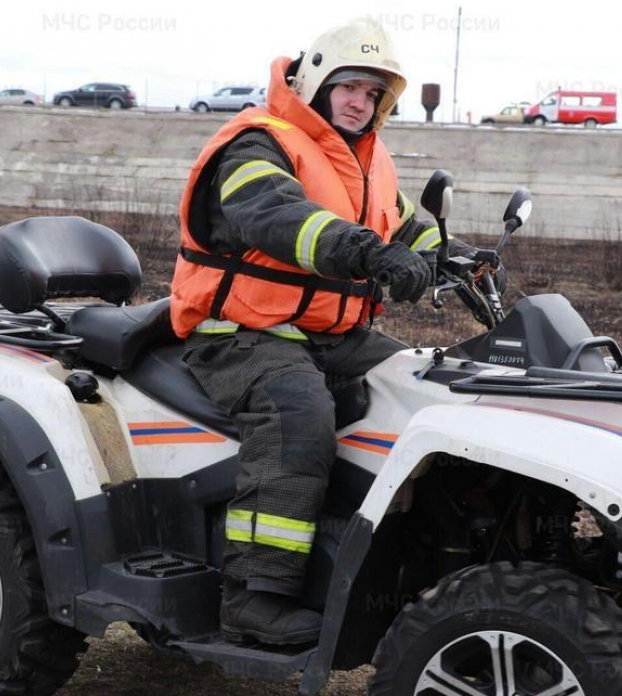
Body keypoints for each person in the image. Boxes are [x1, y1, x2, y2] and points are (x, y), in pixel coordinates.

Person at [169, 17, 497, 645]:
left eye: (373, 94)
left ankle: (432, 566)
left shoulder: (367, 159)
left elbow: (403, 227)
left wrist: (455, 256)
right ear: (318, 81)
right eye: (350, 87)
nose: (360, 103)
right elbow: (275, 217)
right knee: (296, 416)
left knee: (429, 393)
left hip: (333, 334)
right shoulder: (256, 142)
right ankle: (254, 598)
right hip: (243, 330)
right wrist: (370, 255)